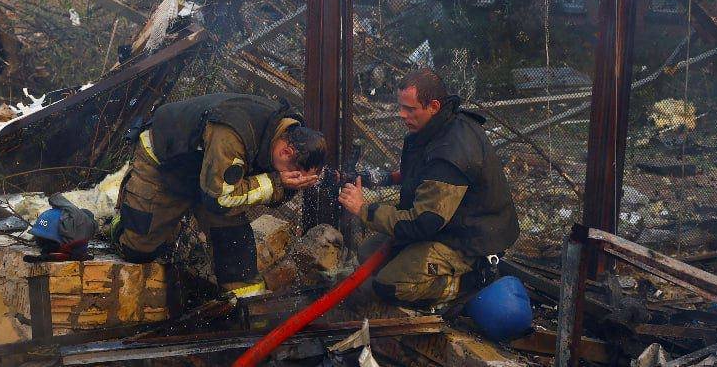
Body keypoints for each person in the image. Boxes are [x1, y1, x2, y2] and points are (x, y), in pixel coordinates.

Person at [111, 92, 326, 297]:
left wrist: (284, 185)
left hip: (212, 178)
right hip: (165, 164)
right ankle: (122, 217)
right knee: (137, 250)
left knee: (235, 251)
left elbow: (225, 196)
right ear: (286, 152)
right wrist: (276, 182)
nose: (296, 180)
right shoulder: (232, 134)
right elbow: (220, 199)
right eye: (296, 175)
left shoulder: (285, 133)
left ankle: (246, 309)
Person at [338, 69, 519, 308]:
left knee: (388, 286)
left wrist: (363, 209)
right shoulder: (434, 129)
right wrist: (381, 178)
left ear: (433, 106)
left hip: (468, 241)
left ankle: (472, 280)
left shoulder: (451, 152)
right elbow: (420, 175)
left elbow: (422, 222)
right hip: (447, 226)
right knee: (368, 253)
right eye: (401, 107)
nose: (402, 115)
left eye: (410, 109)